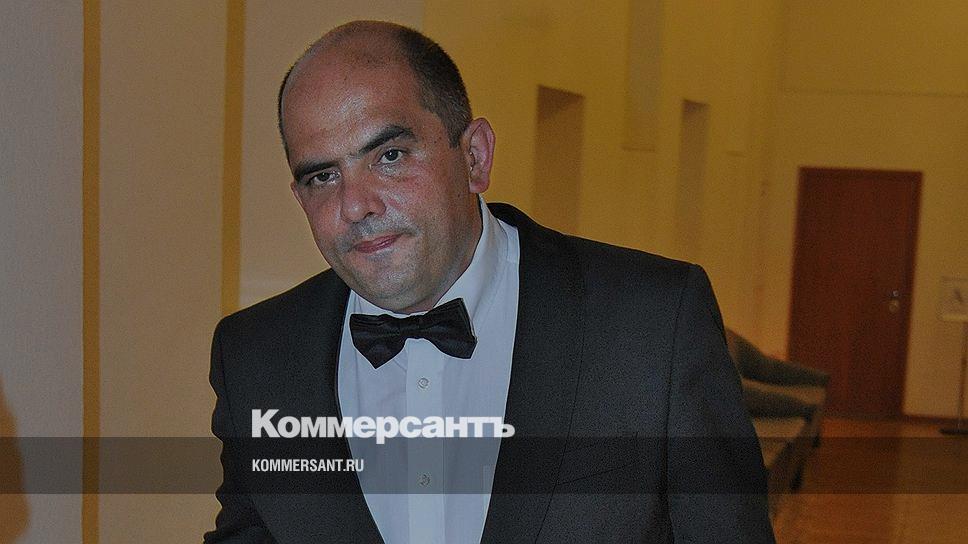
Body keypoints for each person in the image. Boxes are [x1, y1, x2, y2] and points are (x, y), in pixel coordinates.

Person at [205, 20, 775, 544]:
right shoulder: (255, 356)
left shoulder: (653, 325)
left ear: (474, 157)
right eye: (323, 176)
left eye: (390, 156)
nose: (355, 206)